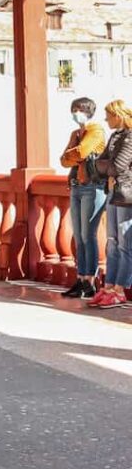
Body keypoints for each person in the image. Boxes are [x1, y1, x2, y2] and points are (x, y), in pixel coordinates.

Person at [86, 100, 132, 310]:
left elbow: (117, 166)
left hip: (126, 194)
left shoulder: (130, 136)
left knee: (125, 244)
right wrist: (104, 167)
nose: (106, 120)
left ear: (118, 115)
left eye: (109, 116)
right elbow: (99, 164)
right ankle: (109, 286)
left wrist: (105, 167)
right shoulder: (115, 136)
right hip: (113, 191)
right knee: (112, 241)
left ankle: (120, 290)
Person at [59, 97, 107, 298]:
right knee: (78, 236)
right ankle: (80, 278)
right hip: (76, 186)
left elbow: (82, 151)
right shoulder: (75, 133)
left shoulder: (96, 131)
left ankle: (90, 280)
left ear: (87, 111)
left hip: (92, 186)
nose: (74, 113)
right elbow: (64, 160)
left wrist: (74, 154)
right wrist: (74, 154)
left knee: (89, 234)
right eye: (73, 109)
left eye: (78, 109)